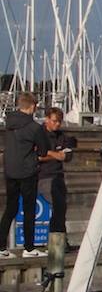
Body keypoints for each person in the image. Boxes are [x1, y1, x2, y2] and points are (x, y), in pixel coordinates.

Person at [2, 92, 49, 258]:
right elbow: (44, 151)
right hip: (27, 171)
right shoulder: (35, 127)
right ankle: (29, 248)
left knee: (10, 208)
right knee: (29, 210)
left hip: (10, 171)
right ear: (32, 107)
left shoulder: (9, 123)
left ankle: (1, 247)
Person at [38, 107, 77, 240]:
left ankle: (60, 238)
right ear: (47, 119)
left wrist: (48, 153)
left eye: (59, 121)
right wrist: (54, 154)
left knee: (62, 207)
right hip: (43, 176)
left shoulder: (61, 136)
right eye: (54, 121)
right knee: (57, 205)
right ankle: (58, 239)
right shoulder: (39, 134)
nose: (57, 124)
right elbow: (38, 156)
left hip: (59, 175)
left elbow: (68, 156)